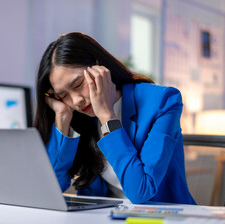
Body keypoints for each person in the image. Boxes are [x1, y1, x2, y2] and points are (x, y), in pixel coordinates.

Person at [33, 32, 196, 205]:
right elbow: (50, 189)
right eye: (63, 95)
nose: (76, 101)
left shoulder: (162, 101)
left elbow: (141, 191)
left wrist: (106, 115)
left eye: (78, 84)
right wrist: (62, 117)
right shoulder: (81, 117)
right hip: (105, 221)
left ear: (99, 68)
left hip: (162, 220)